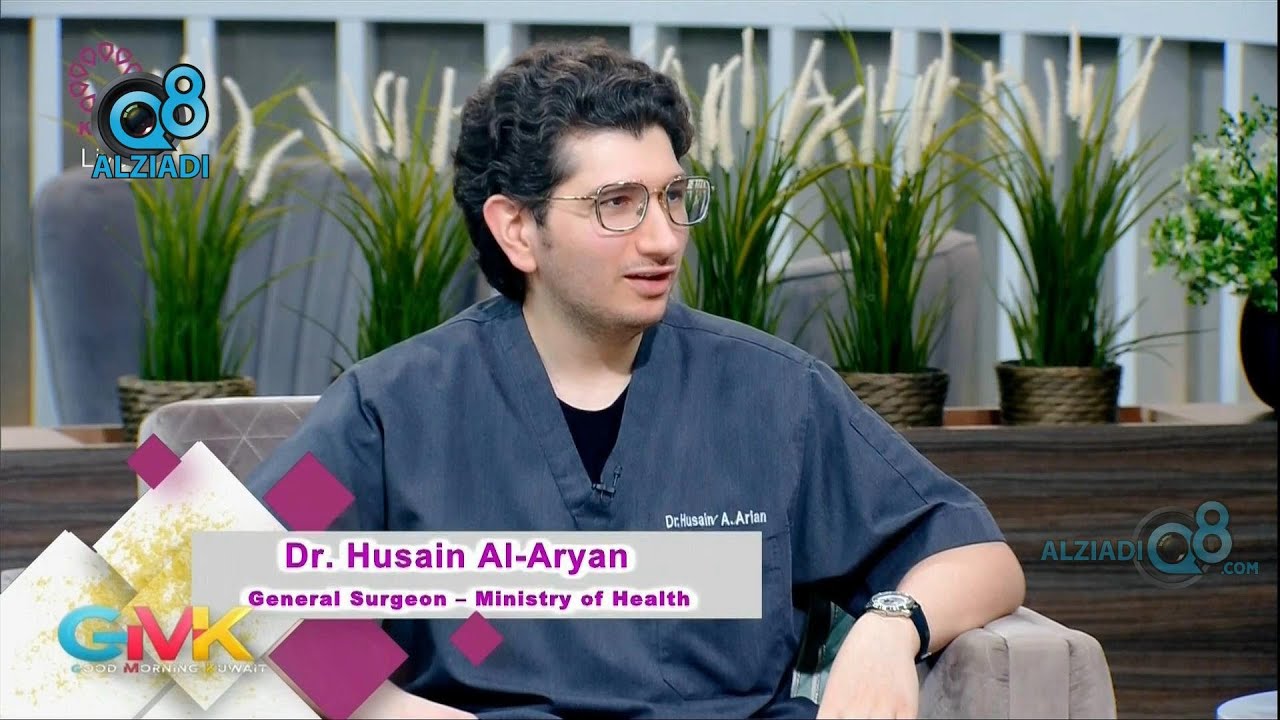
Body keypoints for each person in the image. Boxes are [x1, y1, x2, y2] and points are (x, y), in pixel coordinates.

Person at [244, 39, 1026, 720]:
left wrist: (891, 626)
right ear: (517, 229)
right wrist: (379, 705)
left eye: (673, 197)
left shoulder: (774, 395)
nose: (663, 239)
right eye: (617, 204)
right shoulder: (395, 408)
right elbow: (216, 583)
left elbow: (979, 557)